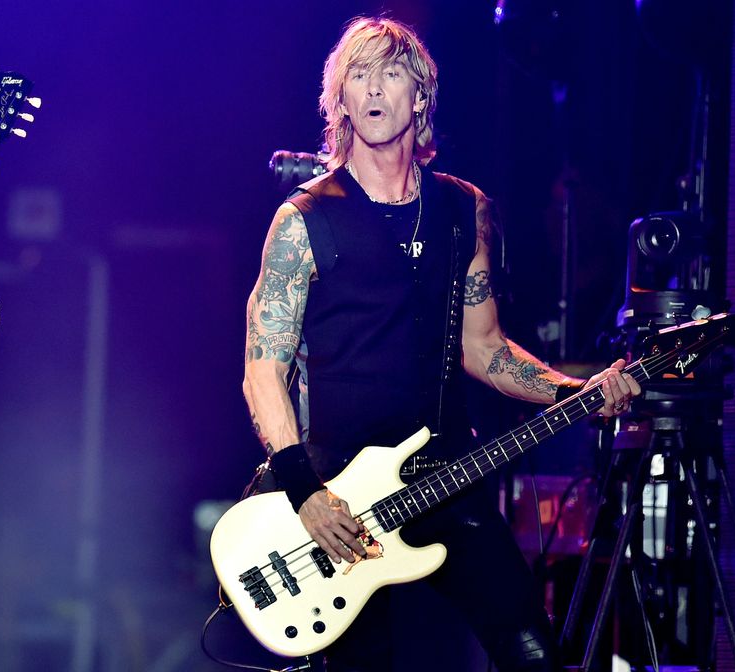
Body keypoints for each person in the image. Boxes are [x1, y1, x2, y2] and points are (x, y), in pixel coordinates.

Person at [242, 17, 640, 672]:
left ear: (420, 96)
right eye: (358, 75)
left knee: (535, 655)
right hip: (341, 495)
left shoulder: (464, 211)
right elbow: (265, 372)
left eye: (392, 73)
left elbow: (483, 350)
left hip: (448, 476)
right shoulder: (303, 221)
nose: (374, 88)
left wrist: (578, 392)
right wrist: (306, 492)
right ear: (339, 99)